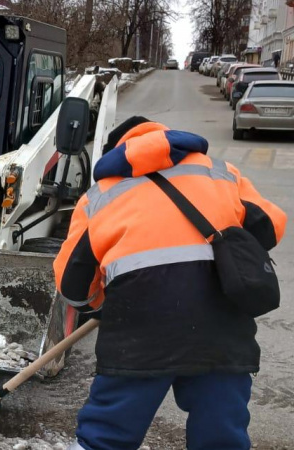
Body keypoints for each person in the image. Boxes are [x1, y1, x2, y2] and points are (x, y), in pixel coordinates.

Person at [54, 117, 287, 450]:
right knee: (220, 436)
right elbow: (271, 227)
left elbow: (72, 283)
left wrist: (99, 306)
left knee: (106, 436)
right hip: (222, 332)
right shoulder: (221, 172)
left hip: (137, 334)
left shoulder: (100, 196)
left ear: (117, 150)